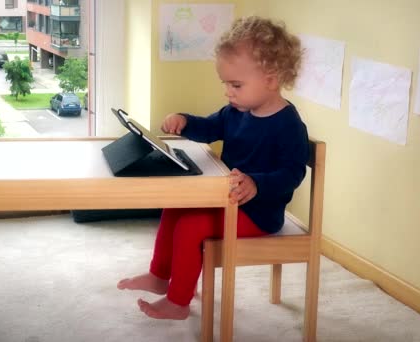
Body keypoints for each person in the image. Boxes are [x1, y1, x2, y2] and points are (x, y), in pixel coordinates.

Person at [117, 16, 310, 320]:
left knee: (190, 227)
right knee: (175, 207)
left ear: (271, 80)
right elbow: (209, 127)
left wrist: (256, 184)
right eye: (226, 84)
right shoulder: (237, 111)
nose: (228, 92)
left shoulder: (288, 125)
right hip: (226, 200)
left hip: (258, 213)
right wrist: (185, 121)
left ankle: (178, 303)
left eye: (236, 85)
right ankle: (159, 275)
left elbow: (292, 173)